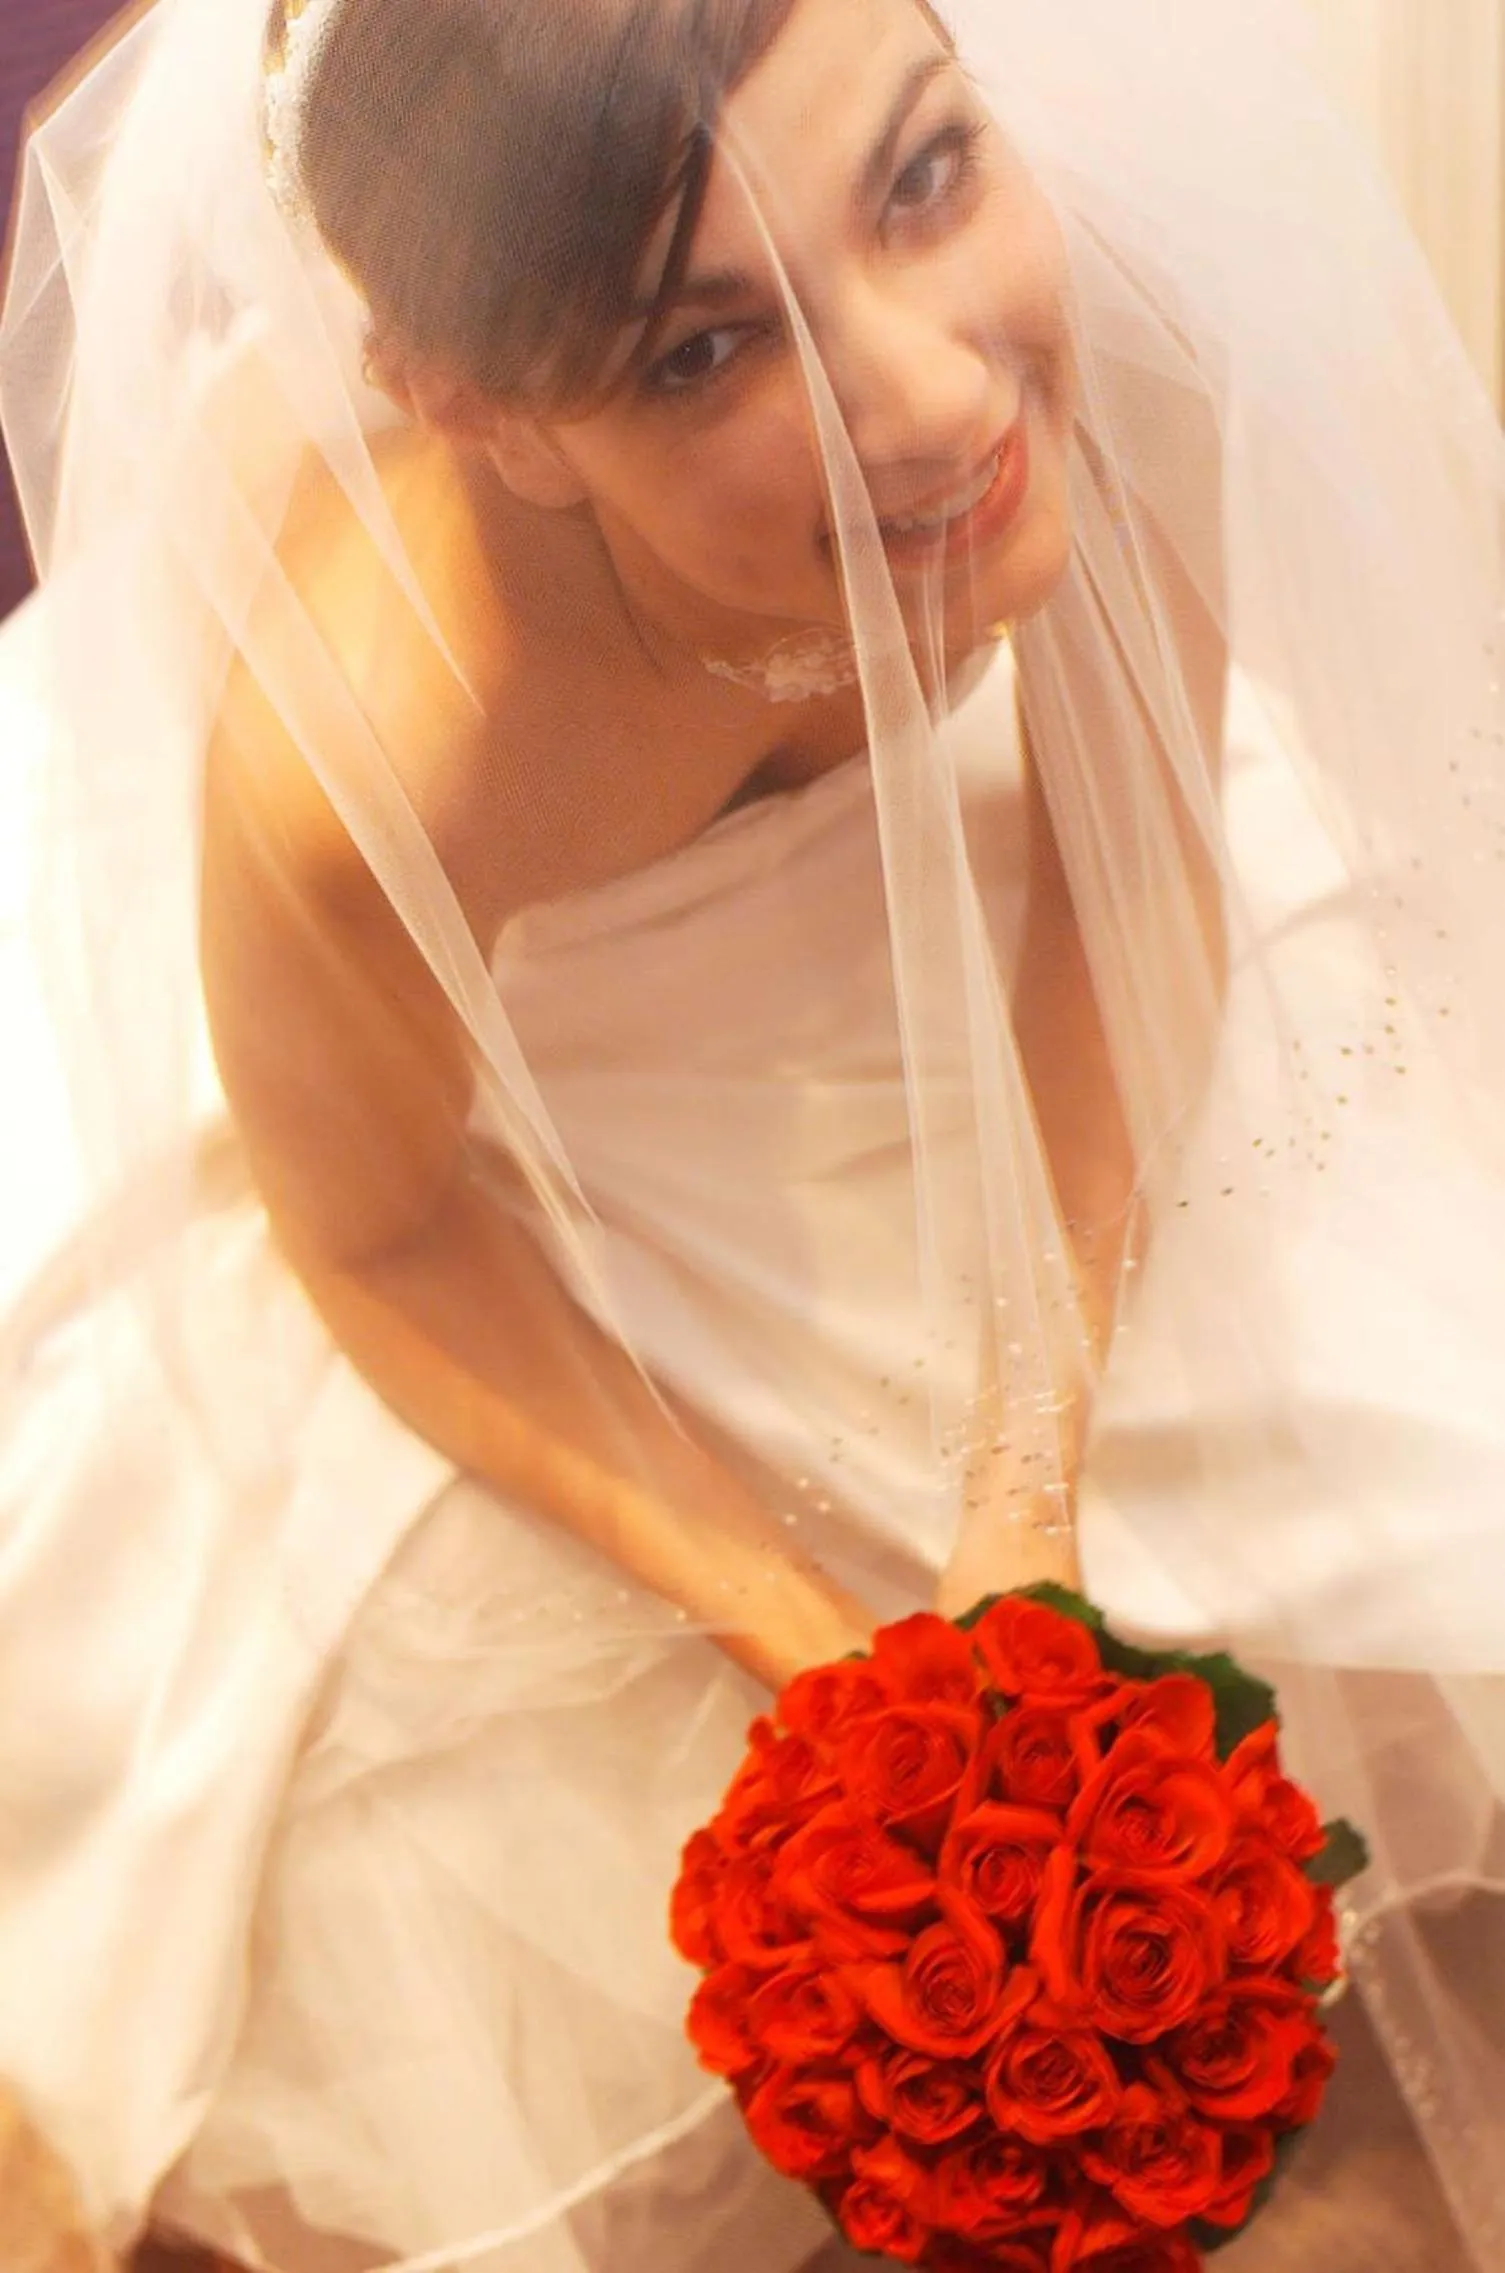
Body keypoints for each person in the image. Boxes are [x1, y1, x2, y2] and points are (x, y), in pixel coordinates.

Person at [1, 0, 1504, 2266]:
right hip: (527, 1083)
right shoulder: (379, 754)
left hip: (997, 905)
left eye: (920, 175)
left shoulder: (1115, 327)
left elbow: (1127, 870)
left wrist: (1021, 1463)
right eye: (704, 352)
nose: (935, 398)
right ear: (478, 409)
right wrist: (811, 1641)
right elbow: (387, 1232)